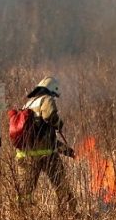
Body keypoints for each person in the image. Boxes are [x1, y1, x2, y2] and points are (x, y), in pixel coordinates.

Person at [17, 76, 76, 209]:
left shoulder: (28, 104)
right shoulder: (46, 99)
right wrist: (59, 123)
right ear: (51, 91)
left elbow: (45, 138)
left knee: (25, 191)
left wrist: (68, 151)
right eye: (54, 95)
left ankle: (21, 214)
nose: (53, 98)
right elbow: (50, 116)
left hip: (25, 154)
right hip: (46, 154)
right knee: (61, 184)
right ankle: (69, 212)